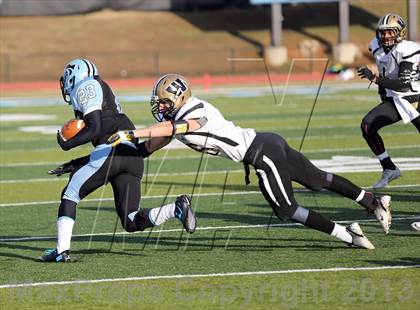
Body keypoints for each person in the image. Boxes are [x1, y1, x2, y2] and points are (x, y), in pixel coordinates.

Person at [108, 74, 393, 250]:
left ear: (180, 98)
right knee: (318, 179)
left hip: (260, 152)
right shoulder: (176, 119)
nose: (160, 107)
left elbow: (175, 129)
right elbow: (148, 148)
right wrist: (112, 152)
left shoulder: (193, 113)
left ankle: (348, 234)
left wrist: (132, 131)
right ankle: (371, 201)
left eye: (164, 103)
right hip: (267, 142)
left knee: (286, 210)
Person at [38, 60, 197, 263]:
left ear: (73, 75)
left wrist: (67, 144)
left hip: (112, 149)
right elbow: (112, 143)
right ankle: (175, 209)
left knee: (69, 195)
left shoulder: (86, 85)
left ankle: (61, 250)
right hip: (131, 157)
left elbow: (96, 129)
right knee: (131, 221)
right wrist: (78, 162)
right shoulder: (100, 93)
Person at [357, 13, 420, 189]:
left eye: (391, 32)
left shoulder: (407, 50)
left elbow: (402, 84)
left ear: (401, 32)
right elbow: (386, 67)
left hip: (415, 96)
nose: (386, 36)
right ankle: (389, 168)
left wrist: (375, 79)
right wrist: (382, 90)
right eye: (383, 33)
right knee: (367, 126)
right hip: (396, 100)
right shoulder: (376, 45)